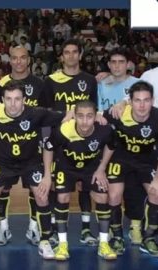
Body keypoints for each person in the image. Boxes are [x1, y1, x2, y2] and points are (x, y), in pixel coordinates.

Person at [0, 80, 66, 259]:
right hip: (2, 163)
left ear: (24, 99)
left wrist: (94, 114)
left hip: (30, 162)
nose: (13, 103)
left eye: (17, 99)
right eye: (8, 99)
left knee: (41, 195)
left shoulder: (36, 113)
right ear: (2, 99)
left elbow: (66, 115)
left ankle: (45, 241)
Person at [44, 100, 117, 260]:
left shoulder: (104, 130)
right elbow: (48, 148)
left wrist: (101, 169)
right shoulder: (63, 130)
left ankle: (104, 244)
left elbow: (110, 146)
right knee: (62, 197)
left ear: (95, 116)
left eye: (89, 116)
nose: (85, 121)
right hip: (66, 167)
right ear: (74, 116)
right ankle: (63, 245)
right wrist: (48, 175)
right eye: (81, 116)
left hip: (91, 168)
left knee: (102, 196)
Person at [44, 38, 98, 247]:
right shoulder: (51, 80)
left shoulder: (90, 80)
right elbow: (45, 111)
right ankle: (58, 230)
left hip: (85, 139)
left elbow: (94, 108)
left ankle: (86, 229)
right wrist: (62, 115)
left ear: (81, 55)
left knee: (85, 186)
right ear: (62, 56)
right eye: (66, 52)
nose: (71, 56)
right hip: (61, 141)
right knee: (59, 189)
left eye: (75, 52)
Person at [0, 46, 48, 246]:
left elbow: (45, 114)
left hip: (32, 148)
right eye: (15, 58)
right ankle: (3, 228)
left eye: (23, 58)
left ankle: (34, 228)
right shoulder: (0, 84)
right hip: (6, 148)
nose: (18, 62)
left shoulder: (40, 84)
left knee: (37, 191)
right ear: (10, 60)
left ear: (29, 60)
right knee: (2, 189)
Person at [102, 81, 158, 257]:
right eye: (137, 100)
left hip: (146, 162)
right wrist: (71, 113)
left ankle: (148, 237)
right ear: (130, 101)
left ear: (153, 100)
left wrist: (157, 178)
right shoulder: (119, 113)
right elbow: (92, 115)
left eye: (146, 100)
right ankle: (117, 236)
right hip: (121, 159)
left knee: (156, 192)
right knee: (113, 194)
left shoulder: (157, 117)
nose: (142, 105)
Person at [98, 48, 145, 247]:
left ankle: (135, 226)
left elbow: (144, 103)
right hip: (109, 143)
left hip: (133, 144)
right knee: (111, 189)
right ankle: (114, 227)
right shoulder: (101, 83)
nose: (117, 65)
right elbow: (98, 110)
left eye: (121, 61)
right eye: (113, 62)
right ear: (109, 65)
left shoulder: (137, 84)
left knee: (134, 188)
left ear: (128, 65)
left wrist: (124, 102)